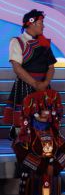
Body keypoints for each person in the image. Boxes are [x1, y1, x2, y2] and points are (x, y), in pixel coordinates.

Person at [4, 9, 56, 139]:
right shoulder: (17, 41)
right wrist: (35, 84)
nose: (43, 26)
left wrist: (45, 83)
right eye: (41, 23)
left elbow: (51, 67)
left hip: (43, 87)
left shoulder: (45, 43)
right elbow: (17, 67)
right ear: (31, 23)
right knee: (24, 124)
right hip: (25, 86)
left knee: (44, 122)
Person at [13, 90, 65, 195]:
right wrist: (43, 167)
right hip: (33, 179)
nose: (45, 112)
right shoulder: (27, 134)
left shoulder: (55, 133)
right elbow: (22, 154)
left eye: (48, 108)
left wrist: (54, 167)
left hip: (52, 180)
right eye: (41, 109)